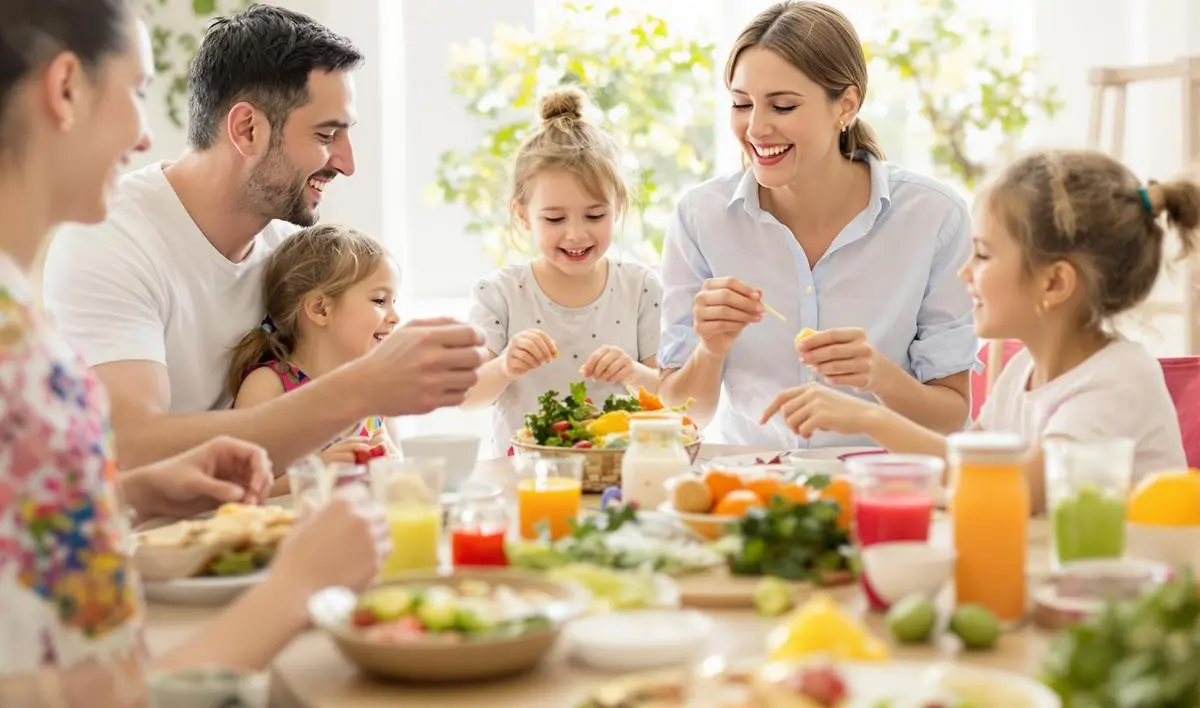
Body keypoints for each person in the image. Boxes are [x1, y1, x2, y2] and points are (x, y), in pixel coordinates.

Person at [0, 2, 389, 706]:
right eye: (137, 91)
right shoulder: (23, 346)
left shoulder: (18, 314)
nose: (147, 132)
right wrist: (300, 588)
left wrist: (130, 491)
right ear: (65, 90)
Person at [41, 4, 484, 471]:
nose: (347, 163)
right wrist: (360, 388)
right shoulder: (110, 240)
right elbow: (127, 443)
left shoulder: (287, 250)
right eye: (326, 134)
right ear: (247, 129)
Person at [762, 149, 1192, 510]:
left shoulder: (1115, 380)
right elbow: (962, 463)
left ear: (1054, 282)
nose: (965, 273)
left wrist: (868, 417)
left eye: (983, 256)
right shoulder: (1022, 370)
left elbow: (1019, 489)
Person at [656, 1, 977, 449]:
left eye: (782, 106)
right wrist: (709, 349)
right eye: (741, 104)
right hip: (749, 486)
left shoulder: (933, 216)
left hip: (881, 483)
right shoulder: (700, 218)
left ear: (845, 105)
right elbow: (680, 417)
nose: (756, 127)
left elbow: (950, 416)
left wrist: (880, 378)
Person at [461, 87, 664, 456]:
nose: (576, 233)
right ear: (522, 215)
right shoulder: (500, 292)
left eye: (595, 215)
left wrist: (634, 374)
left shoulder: (641, 287)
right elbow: (467, 397)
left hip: (618, 474)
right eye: (554, 218)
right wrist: (505, 366)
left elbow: (670, 398)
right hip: (526, 480)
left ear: (618, 207)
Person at [229, 223, 401, 478]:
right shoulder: (268, 386)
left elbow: (397, 465)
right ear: (320, 309)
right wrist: (317, 471)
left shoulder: (374, 390)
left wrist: (391, 461)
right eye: (379, 300)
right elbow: (243, 486)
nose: (395, 317)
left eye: (393, 302)